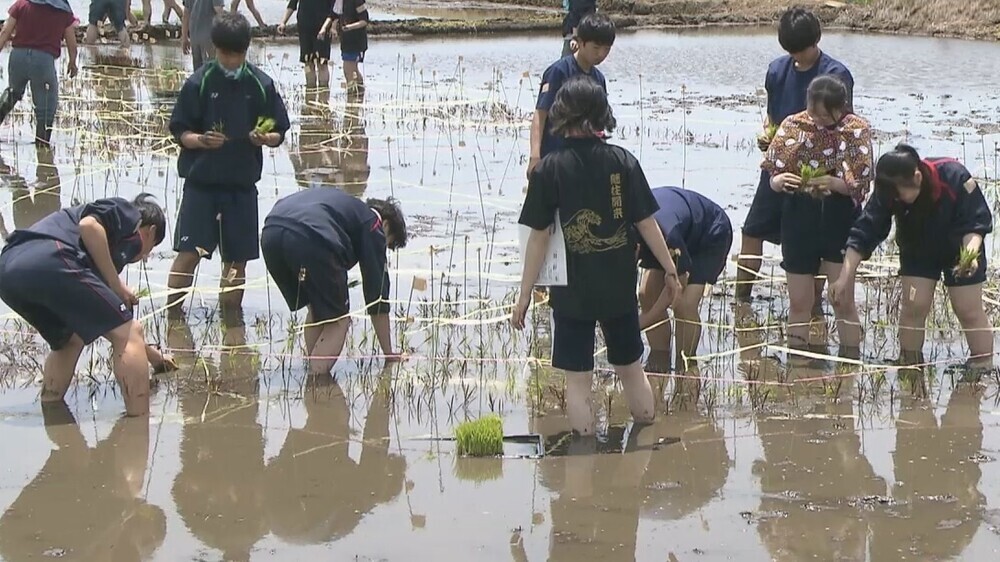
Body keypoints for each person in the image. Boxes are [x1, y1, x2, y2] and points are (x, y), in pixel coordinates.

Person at [511, 75, 682, 436]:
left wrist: (525, 293)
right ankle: (646, 435)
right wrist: (669, 268)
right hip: (617, 286)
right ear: (602, 115)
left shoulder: (549, 169)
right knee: (631, 369)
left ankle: (584, 456)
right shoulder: (624, 161)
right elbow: (647, 223)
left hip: (571, 291)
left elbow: (538, 236)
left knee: (578, 381)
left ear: (562, 115)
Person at [0, 194, 176, 416]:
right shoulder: (128, 212)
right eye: (150, 248)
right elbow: (89, 225)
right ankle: (137, 423)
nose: (144, 256)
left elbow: (107, 321)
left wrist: (156, 359)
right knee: (131, 332)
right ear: (149, 231)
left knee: (69, 341)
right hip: (51, 257)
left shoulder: (96, 256)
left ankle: (52, 412)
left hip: (8, 271)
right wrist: (116, 284)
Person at [167, 13, 290, 316]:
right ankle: (172, 317)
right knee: (188, 255)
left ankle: (232, 325)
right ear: (215, 48)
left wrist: (264, 137)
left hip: (241, 188)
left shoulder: (261, 84)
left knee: (236, 262)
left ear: (246, 50)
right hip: (202, 186)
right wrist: (200, 140)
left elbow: (278, 131)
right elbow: (179, 131)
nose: (231, 61)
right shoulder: (200, 81)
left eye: (237, 55)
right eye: (225, 54)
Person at [830, 145, 993, 365]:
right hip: (918, 249)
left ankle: (981, 366)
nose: (897, 199)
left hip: (962, 248)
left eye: (901, 195)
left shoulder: (954, 176)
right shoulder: (888, 190)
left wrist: (970, 256)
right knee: (914, 306)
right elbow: (864, 232)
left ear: (917, 177)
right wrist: (844, 278)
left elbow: (975, 224)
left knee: (968, 309)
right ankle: (910, 365)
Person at [736, 6, 854, 309]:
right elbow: (772, 115)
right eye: (793, 52)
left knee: (809, 240)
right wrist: (769, 136)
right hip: (778, 168)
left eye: (804, 50)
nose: (799, 57)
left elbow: (842, 126)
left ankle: (812, 307)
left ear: (817, 40)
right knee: (752, 230)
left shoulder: (835, 75)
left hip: (816, 171)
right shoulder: (777, 70)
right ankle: (741, 298)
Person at [762, 74, 871, 352]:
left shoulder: (856, 129)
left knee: (841, 300)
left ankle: (850, 364)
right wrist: (779, 181)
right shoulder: (793, 125)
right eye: (814, 113)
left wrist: (836, 184)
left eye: (825, 115)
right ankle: (798, 366)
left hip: (839, 216)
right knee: (800, 301)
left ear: (841, 107)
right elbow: (773, 172)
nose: (818, 120)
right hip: (799, 216)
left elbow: (861, 183)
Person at [261, 188, 407, 375]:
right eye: (387, 243)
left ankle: (313, 370)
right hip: (311, 237)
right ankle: (318, 385)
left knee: (316, 309)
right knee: (338, 320)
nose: (382, 248)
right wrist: (389, 353)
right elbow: (377, 295)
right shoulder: (373, 222)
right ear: (385, 225)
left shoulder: (343, 207)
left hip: (271, 233)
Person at [637, 186, 733, 370]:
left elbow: (675, 289)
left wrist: (642, 322)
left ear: (637, 247)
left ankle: (685, 363)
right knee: (646, 294)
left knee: (684, 304)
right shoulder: (622, 230)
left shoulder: (667, 235)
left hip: (709, 233)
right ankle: (659, 357)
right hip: (678, 227)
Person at [526, 12, 614, 179]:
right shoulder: (558, 72)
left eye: (606, 49)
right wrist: (535, 157)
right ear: (580, 42)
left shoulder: (599, 79)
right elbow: (540, 114)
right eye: (596, 48)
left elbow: (599, 123)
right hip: (554, 157)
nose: (601, 54)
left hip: (584, 163)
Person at [0, 0, 79, 146]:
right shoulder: (63, 10)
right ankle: (42, 146)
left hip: (18, 57)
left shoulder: (22, 4)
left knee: (13, 92)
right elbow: (71, 42)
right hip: (43, 61)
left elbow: (5, 31)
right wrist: (72, 62)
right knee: (46, 107)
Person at [277, 0, 333, 88]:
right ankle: (310, 89)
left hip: (323, 28)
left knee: (322, 62)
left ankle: (324, 92)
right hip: (304, 27)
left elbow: (334, 10)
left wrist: (332, 26)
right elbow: (292, 5)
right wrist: (283, 22)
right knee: (308, 62)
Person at [318, 0, 368, 91]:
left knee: (348, 70)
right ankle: (359, 93)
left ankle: (352, 97)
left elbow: (364, 20)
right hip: (345, 41)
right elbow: (332, 16)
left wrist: (350, 27)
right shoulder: (337, 2)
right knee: (353, 70)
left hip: (356, 41)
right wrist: (324, 28)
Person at [181, 0, 225, 70]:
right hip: (209, 36)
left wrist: (184, 37)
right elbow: (218, 9)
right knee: (210, 70)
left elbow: (186, 14)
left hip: (194, 36)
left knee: (197, 72)